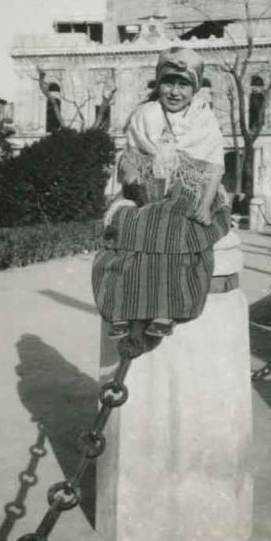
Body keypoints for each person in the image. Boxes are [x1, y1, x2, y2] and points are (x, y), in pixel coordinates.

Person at [92, 46, 230, 340]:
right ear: (158, 84)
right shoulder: (145, 115)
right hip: (148, 187)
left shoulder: (204, 120)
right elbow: (130, 155)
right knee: (127, 225)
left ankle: (168, 307)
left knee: (173, 227)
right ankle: (121, 307)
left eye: (184, 85)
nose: (175, 92)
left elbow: (214, 169)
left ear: (194, 90)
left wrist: (205, 206)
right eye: (169, 83)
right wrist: (130, 174)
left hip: (193, 188)